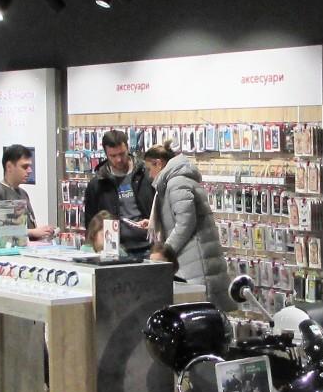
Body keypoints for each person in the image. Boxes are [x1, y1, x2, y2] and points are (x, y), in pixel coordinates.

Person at [144, 142, 231, 310]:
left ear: (158, 163)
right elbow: (181, 217)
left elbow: (185, 224)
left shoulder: (176, 183)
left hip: (195, 261)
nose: (149, 175)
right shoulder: (176, 181)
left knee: (201, 310)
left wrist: (166, 252)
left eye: (149, 169)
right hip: (192, 258)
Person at [81, 129, 154, 258]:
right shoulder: (97, 184)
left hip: (147, 246)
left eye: (122, 154)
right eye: (113, 156)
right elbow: (91, 222)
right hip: (113, 249)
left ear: (128, 148)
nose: (119, 159)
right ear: (106, 154)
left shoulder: (146, 175)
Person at [0, 144, 52, 241]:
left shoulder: (23, 193)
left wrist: (43, 233)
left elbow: (28, 228)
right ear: (9, 167)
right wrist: (33, 232)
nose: (30, 170)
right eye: (25, 166)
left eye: (30, 166)